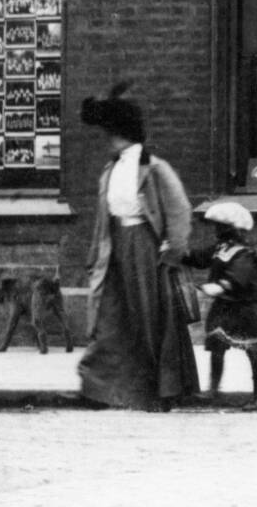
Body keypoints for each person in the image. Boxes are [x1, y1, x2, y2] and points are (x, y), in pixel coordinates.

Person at [77, 84, 201, 410]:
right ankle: (100, 390)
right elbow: (104, 218)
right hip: (116, 247)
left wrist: (173, 250)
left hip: (147, 247)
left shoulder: (154, 167)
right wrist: (97, 255)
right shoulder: (111, 169)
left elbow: (179, 210)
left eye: (112, 133)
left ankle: (162, 392)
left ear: (123, 133)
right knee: (111, 316)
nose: (109, 139)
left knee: (151, 318)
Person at [183, 200, 257, 410]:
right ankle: (213, 390)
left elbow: (241, 275)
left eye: (222, 227)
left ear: (233, 230)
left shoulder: (245, 253)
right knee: (217, 345)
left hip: (245, 308)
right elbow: (200, 259)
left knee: (253, 348)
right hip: (224, 308)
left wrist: (221, 286)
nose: (217, 230)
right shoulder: (221, 248)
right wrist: (182, 254)